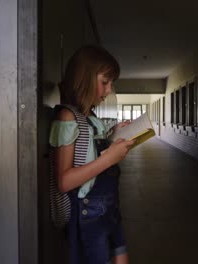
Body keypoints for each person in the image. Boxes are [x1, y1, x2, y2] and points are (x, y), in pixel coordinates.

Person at [49, 45, 135, 264]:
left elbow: (88, 151)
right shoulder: (67, 117)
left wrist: (115, 135)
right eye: (105, 82)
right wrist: (108, 159)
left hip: (110, 207)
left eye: (111, 83)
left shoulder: (90, 116)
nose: (108, 90)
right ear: (84, 78)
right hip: (90, 213)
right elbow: (64, 181)